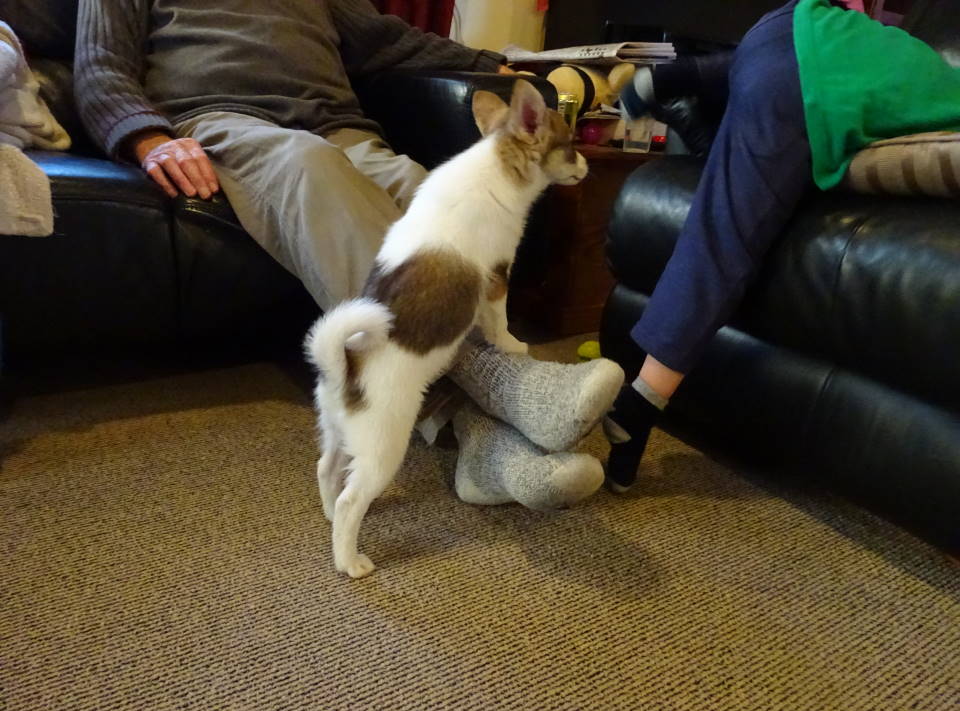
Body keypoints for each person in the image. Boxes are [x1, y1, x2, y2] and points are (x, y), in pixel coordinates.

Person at [74, 0, 625, 507]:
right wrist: (147, 138)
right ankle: (499, 385)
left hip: (337, 127)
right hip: (224, 120)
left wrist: (496, 65)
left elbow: (391, 38)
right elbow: (100, 67)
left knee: (424, 188)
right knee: (311, 168)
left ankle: (482, 440)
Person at [604, 0, 960, 492]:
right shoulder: (938, 87)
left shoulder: (899, 52)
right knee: (726, 234)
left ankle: (680, 83)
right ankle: (638, 407)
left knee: (740, 162)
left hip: (783, 28)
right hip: (800, 79)